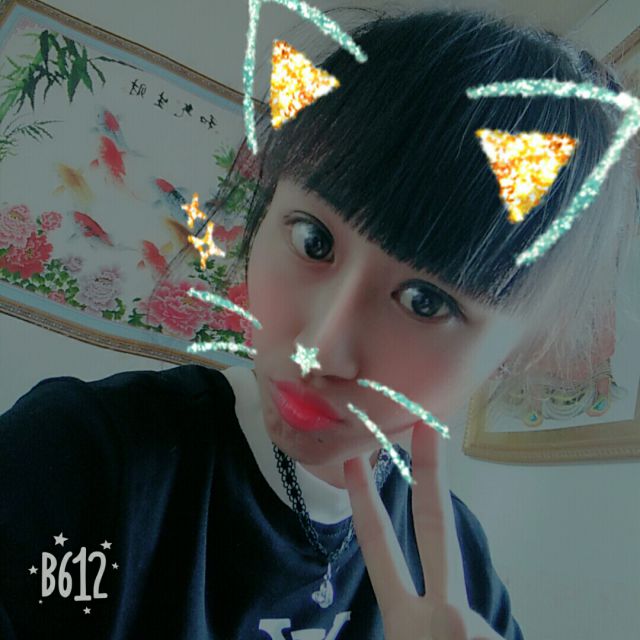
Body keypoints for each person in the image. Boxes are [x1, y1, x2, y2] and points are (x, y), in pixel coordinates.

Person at [1, 6, 637, 640]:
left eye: (425, 301)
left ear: (511, 353)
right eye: (314, 240)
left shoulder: (461, 581)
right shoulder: (78, 462)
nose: (319, 349)